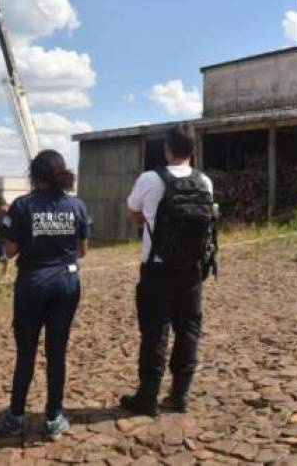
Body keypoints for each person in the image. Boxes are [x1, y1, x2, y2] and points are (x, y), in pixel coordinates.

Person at [0, 149, 90, 440]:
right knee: (56, 352)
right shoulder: (76, 206)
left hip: (32, 284)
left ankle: (15, 415)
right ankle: (53, 417)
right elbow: (83, 250)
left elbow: (10, 251)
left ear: (34, 176)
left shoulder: (22, 206)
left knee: (26, 352)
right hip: (66, 283)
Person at [120, 128, 215, 416]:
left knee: (154, 333)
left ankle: (147, 397)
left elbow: (132, 211)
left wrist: (150, 218)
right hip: (192, 270)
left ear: (167, 149)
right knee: (188, 331)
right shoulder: (204, 181)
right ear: (192, 151)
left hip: (157, 270)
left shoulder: (151, 179)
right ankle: (180, 395)